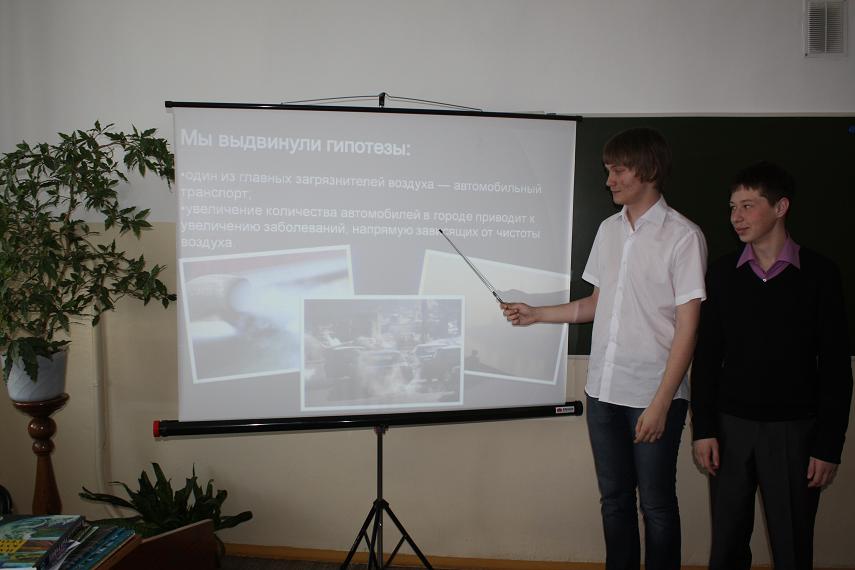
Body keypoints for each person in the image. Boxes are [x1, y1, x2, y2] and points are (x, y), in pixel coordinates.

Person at [502, 128, 707, 570]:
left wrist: (661, 404)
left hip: (653, 396)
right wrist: (536, 314)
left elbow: (689, 329)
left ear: (648, 169)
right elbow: (595, 304)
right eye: (608, 170)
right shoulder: (608, 230)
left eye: (618, 170)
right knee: (614, 500)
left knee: (656, 504)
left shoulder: (683, 236)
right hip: (603, 391)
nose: (609, 180)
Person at [690, 161, 852, 570]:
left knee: (792, 546)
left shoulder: (820, 275)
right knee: (726, 546)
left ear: (780, 207)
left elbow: (836, 367)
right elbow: (706, 358)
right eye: (732, 207)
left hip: (795, 432)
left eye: (748, 206)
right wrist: (704, 429)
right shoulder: (722, 274)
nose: (736, 217)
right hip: (731, 430)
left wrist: (828, 446)